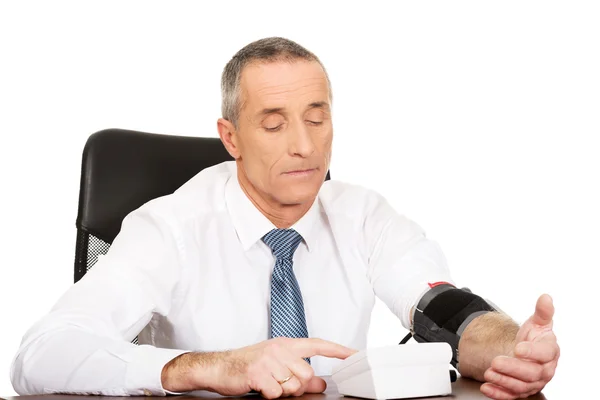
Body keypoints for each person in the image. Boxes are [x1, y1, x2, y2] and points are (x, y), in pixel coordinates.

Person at [10, 37, 559, 400]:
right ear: (231, 138)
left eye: (317, 119)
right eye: (274, 125)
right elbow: (41, 355)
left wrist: (510, 347)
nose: (304, 146)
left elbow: (443, 309)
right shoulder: (168, 227)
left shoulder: (364, 215)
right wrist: (204, 367)